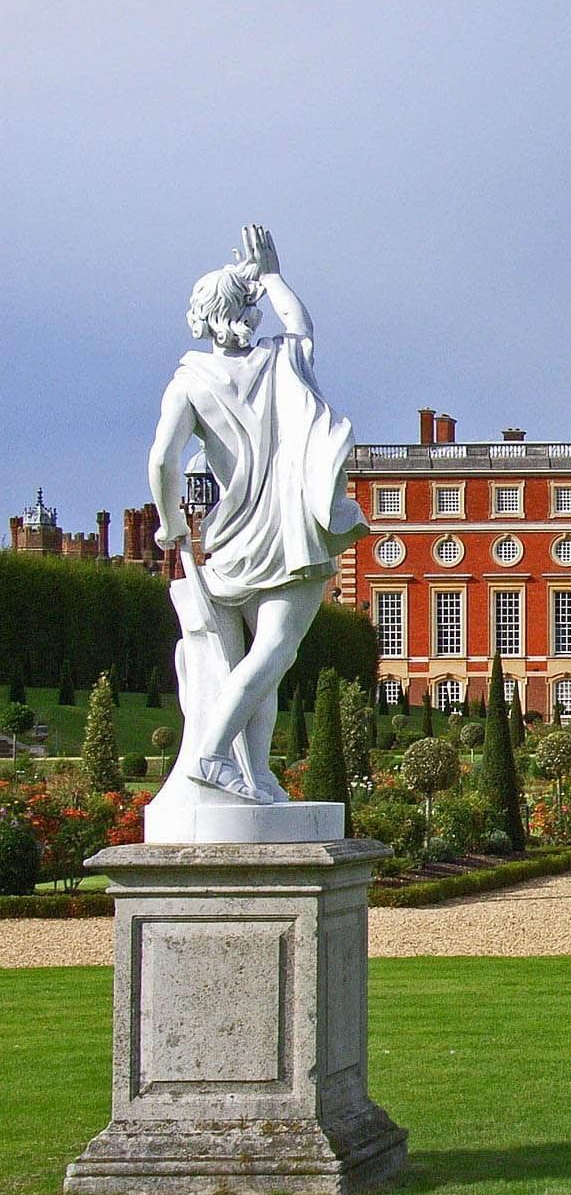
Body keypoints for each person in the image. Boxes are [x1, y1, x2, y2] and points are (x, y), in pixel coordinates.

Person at [149, 227, 366, 804]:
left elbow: (163, 458)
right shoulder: (278, 358)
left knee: (262, 661)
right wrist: (272, 274)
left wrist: (170, 520)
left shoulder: (188, 384)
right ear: (246, 311)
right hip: (288, 531)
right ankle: (213, 754)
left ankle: (257, 773)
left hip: (233, 537)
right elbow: (301, 325)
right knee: (273, 652)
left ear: (201, 318)